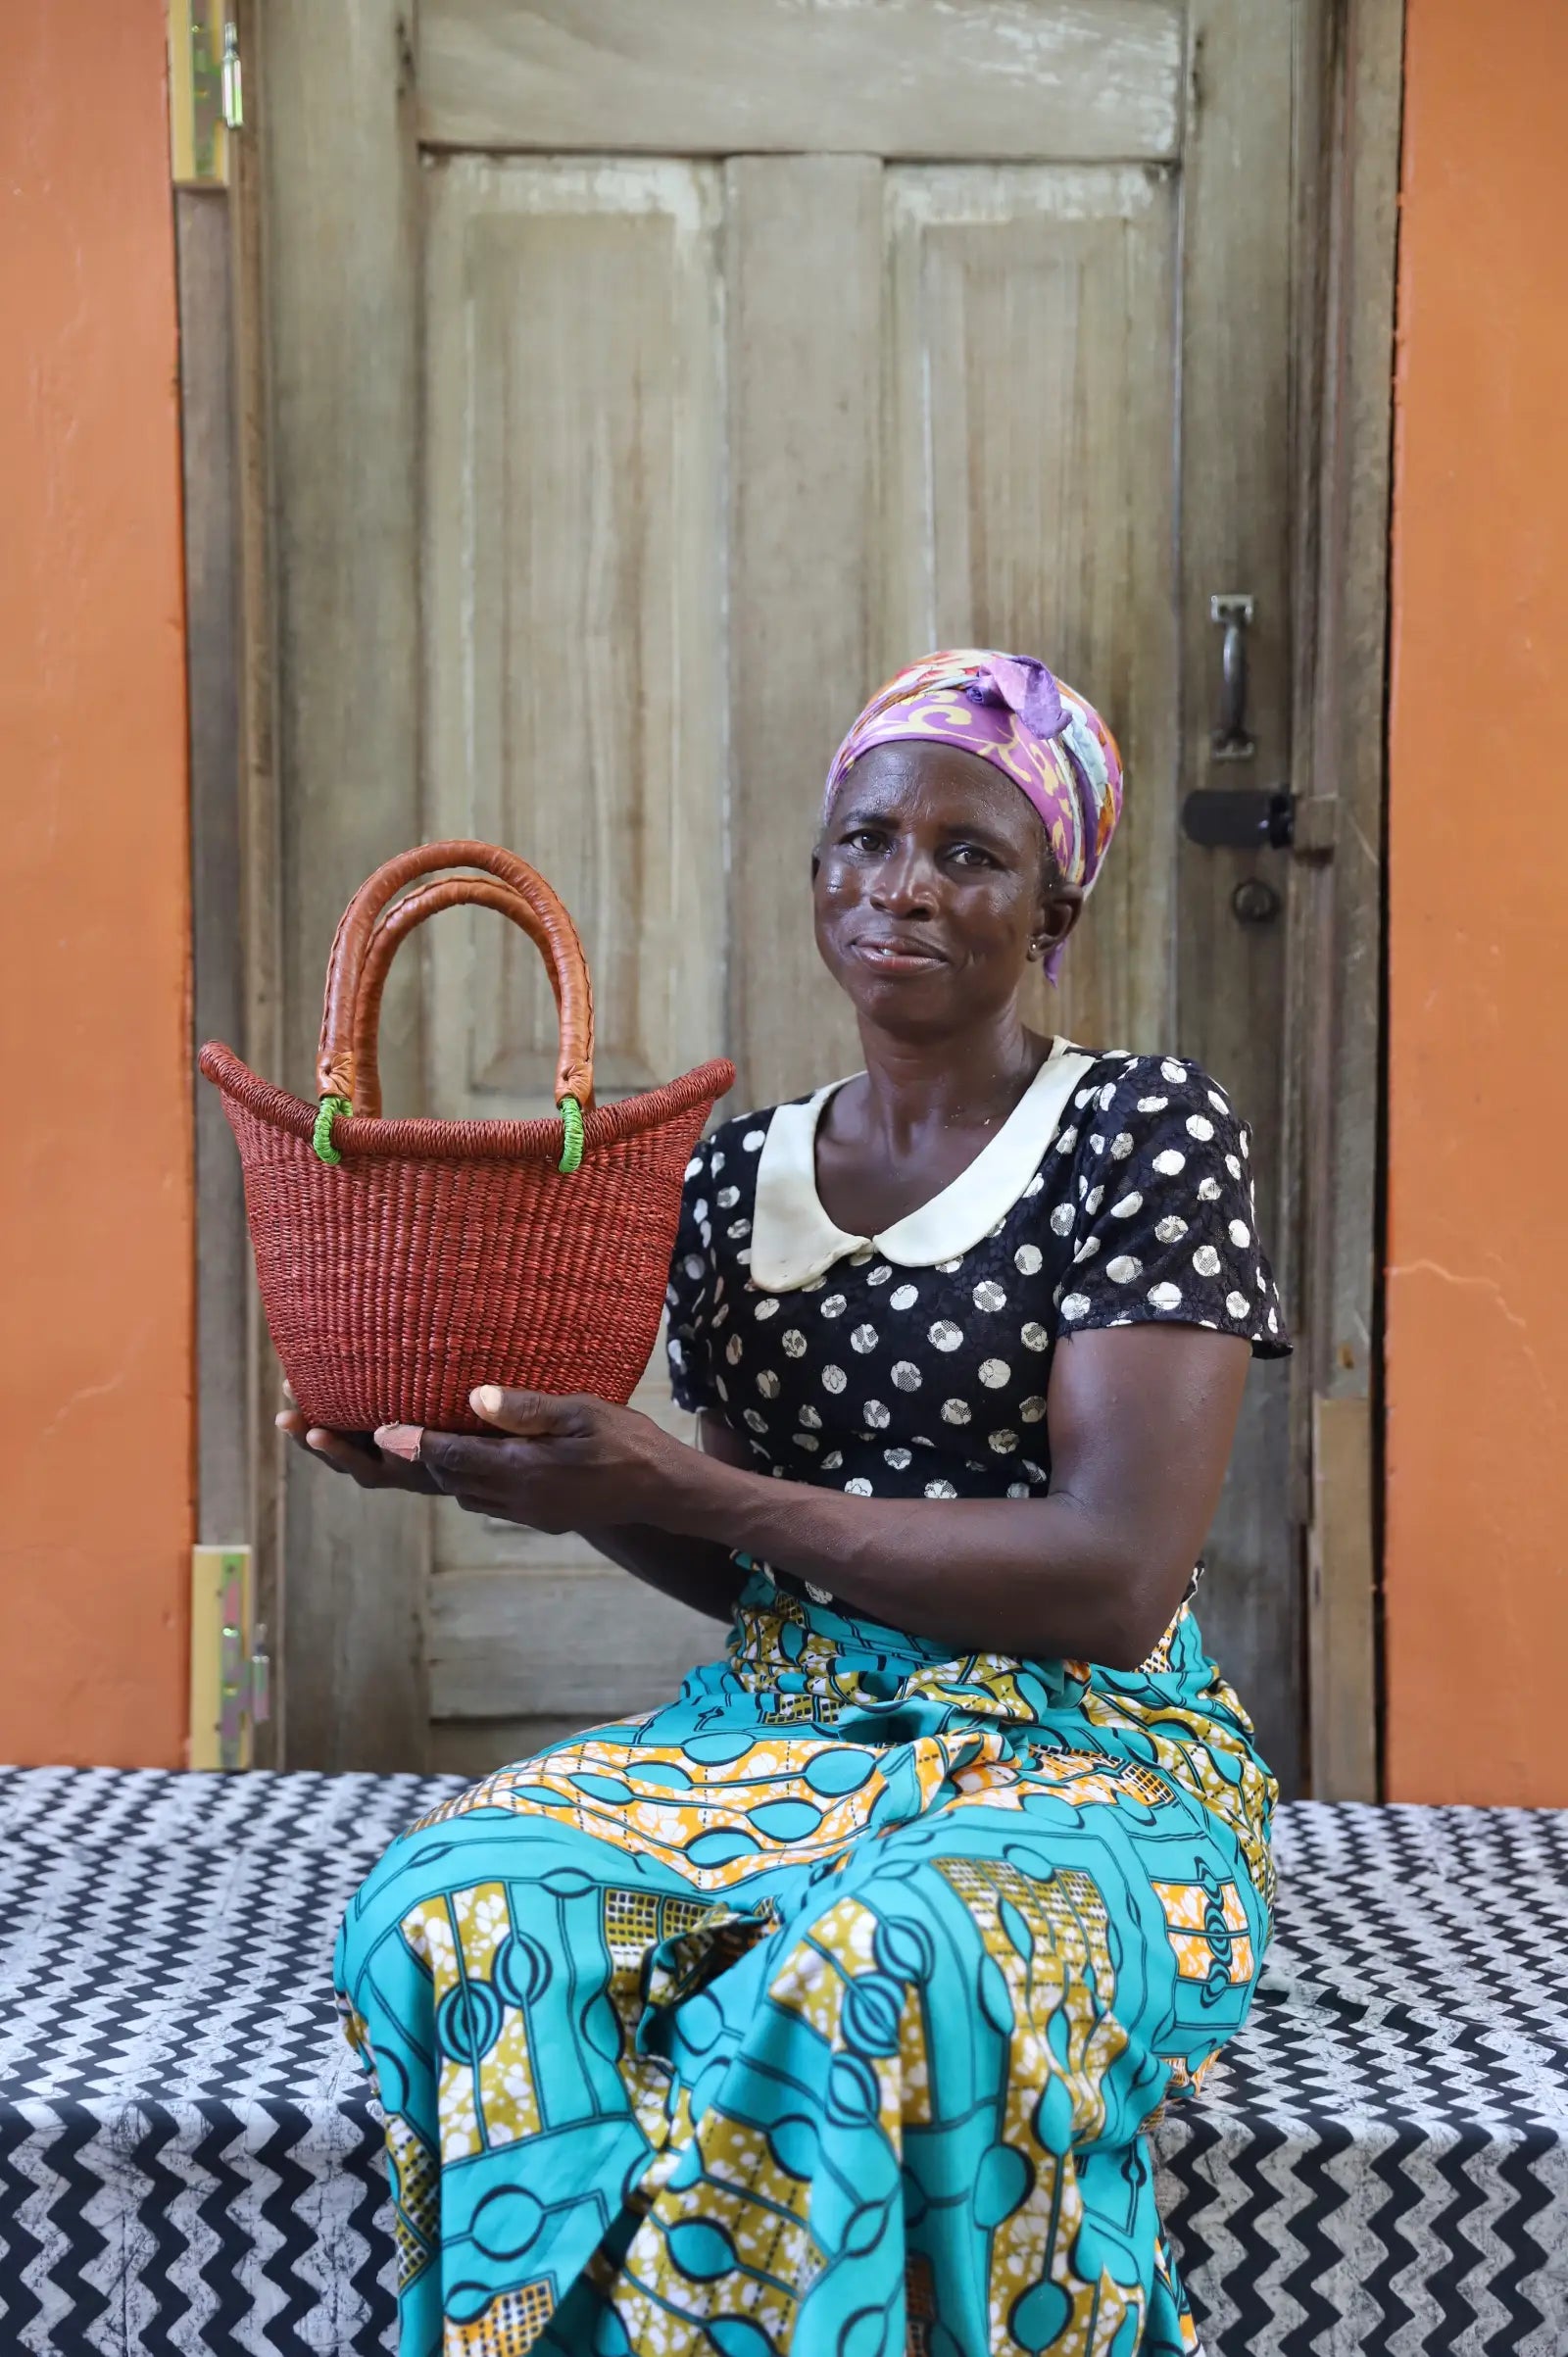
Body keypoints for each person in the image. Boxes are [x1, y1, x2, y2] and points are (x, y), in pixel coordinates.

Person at [287, 650, 1287, 2357]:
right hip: (776, 1737)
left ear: (1056, 901)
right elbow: (737, 1548)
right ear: (819, 869)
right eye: (864, 837)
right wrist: (538, 1481)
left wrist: (681, 1474)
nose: (901, 884)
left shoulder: (1139, 1130)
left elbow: (1114, 1578)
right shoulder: (733, 1173)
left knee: (882, 1965)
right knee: (455, 1902)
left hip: (1091, 1751)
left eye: (969, 852)